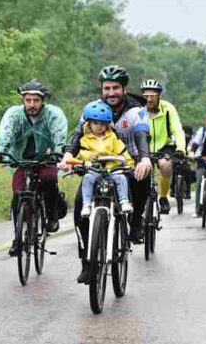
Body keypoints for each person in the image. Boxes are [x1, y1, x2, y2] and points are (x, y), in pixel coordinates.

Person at [60, 65, 152, 282]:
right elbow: (77, 135)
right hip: (97, 163)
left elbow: (141, 137)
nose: (111, 93)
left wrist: (145, 159)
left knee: (143, 177)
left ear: (124, 88)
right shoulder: (93, 109)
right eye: (107, 88)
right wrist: (67, 155)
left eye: (116, 88)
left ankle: (136, 222)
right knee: (81, 207)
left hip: (128, 158)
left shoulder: (136, 109)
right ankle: (87, 262)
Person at [0, 79, 68, 257]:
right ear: (23, 100)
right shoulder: (14, 114)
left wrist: (59, 153)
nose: (32, 104)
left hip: (46, 158)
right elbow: (6, 134)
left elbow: (59, 136)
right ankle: (18, 238)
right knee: (18, 195)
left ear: (43, 101)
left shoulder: (53, 114)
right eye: (28, 100)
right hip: (21, 159)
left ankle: (52, 214)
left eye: (36, 100)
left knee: (49, 180)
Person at [76, 100, 134, 216]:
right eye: (95, 123)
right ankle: (86, 204)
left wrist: (129, 164)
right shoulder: (85, 139)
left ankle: (124, 201)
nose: (99, 126)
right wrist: (90, 156)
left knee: (121, 178)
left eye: (103, 123)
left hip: (112, 169)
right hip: (95, 170)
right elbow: (82, 153)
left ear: (107, 124)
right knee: (87, 178)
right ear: (89, 123)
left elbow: (122, 150)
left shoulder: (112, 137)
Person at [140, 79, 186, 214]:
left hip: (163, 146)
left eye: (152, 96)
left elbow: (177, 129)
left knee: (166, 166)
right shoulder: (138, 110)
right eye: (146, 96)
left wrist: (181, 148)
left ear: (158, 96)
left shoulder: (168, 109)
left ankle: (163, 196)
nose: (148, 100)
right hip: (143, 146)